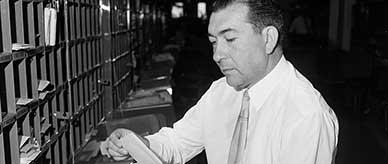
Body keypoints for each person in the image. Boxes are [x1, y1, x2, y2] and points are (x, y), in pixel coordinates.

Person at [101, 0, 339, 164]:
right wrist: (139, 144)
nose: (217, 55)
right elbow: (177, 142)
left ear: (268, 39)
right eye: (214, 42)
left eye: (230, 39)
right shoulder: (222, 91)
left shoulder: (305, 115)